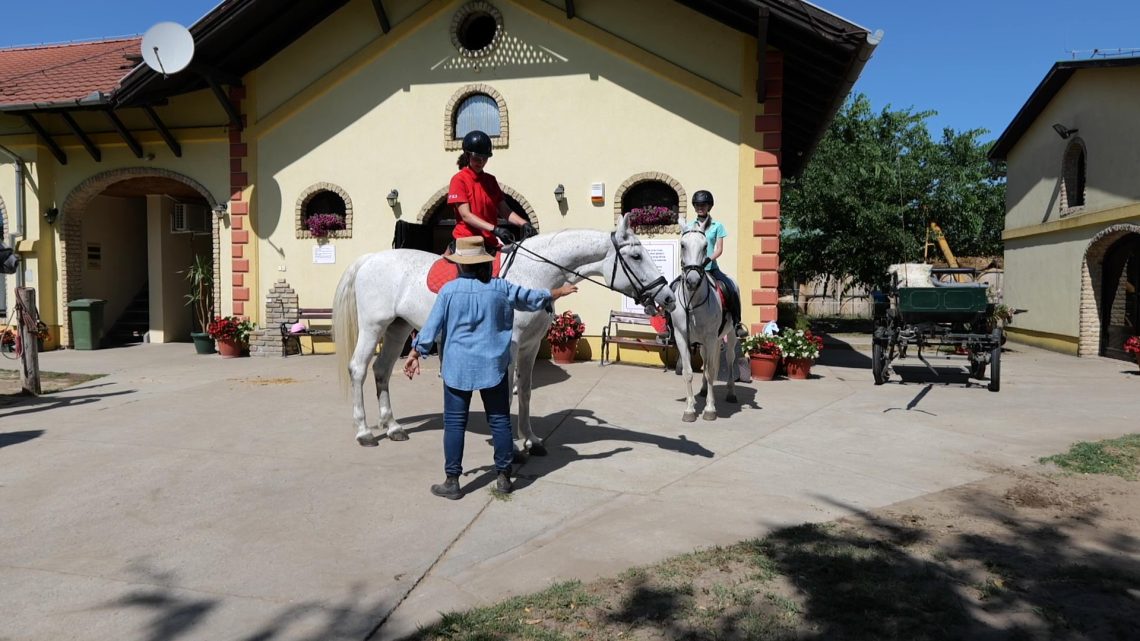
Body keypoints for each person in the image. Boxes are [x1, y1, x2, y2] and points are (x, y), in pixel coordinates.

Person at [404, 235, 578, 500]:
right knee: (499, 422)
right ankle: (504, 477)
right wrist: (557, 292)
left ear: (460, 264)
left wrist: (416, 352)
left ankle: (452, 481)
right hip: (493, 367)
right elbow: (531, 298)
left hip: (457, 367)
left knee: (454, 424)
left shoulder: (448, 291)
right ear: (485, 262)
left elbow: (431, 327)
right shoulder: (500, 287)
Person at [448, 130, 536, 252]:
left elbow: (505, 210)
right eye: (477, 158)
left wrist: (524, 223)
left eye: (484, 158)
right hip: (468, 241)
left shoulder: (491, 180)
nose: (481, 162)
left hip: (490, 241)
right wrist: (495, 229)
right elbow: (466, 215)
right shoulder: (459, 180)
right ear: (468, 155)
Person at [686, 190, 748, 338]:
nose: (700, 207)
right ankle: (669, 326)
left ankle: (737, 323)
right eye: (697, 205)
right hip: (693, 269)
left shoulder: (717, 226)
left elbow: (719, 249)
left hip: (711, 268)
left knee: (731, 288)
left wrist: (708, 259)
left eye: (703, 204)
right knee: (674, 287)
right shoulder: (689, 226)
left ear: (709, 206)